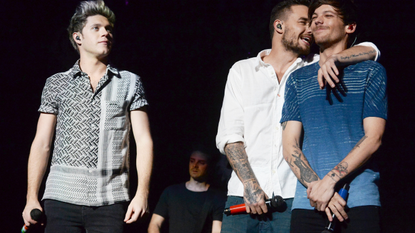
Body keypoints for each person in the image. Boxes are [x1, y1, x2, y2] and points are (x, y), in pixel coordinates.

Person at [215, 0, 381, 232]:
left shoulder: (316, 66)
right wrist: (251, 185)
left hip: (294, 197)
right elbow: (230, 135)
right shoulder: (242, 71)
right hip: (243, 196)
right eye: (305, 22)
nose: (311, 29)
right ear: (280, 26)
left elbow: (372, 49)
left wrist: (319, 187)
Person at [21, 1, 153, 232]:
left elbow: (143, 141)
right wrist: (31, 196)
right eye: (97, 28)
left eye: (109, 28)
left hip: (110, 201)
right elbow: (42, 143)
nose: (106, 32)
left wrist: (142, 194)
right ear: (78, 38)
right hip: (60, 198)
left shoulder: (130, 82)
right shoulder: (56, 83)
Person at [281, 0, 387, 232]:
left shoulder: (371, 71)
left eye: (327, 15)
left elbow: (374, 138)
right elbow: (289, 145)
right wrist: (319, 189)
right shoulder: (297, 79)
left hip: (358, 199)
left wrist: (330, 182)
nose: (317, 20)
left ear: (349, 27)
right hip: (309, 202)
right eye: (313, 17)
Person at [148, 150, 226, 233]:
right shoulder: (171, 192)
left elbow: (217, 230)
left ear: (209, 166)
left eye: (201, 162)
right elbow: (154, 224)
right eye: (192, 161)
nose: (195, 166)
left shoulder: (217, 197)